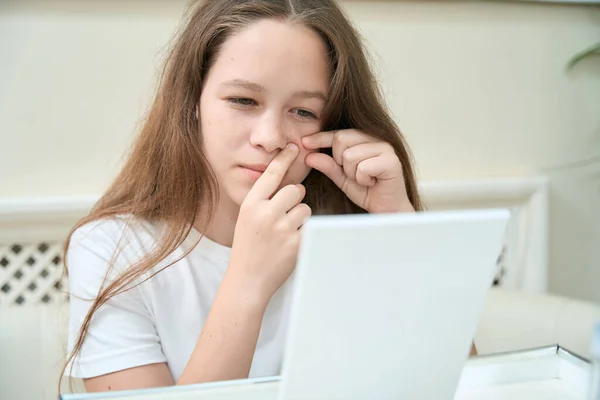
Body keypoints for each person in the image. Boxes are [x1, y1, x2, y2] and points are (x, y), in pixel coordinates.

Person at [62, 0, 429, 393]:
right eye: (243, 101)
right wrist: (249, 281)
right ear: (192, 104)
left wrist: (400, 226)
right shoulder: (111, 250)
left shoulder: (354, 234)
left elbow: (467, 384)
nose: (269, 138)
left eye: (303, 112)